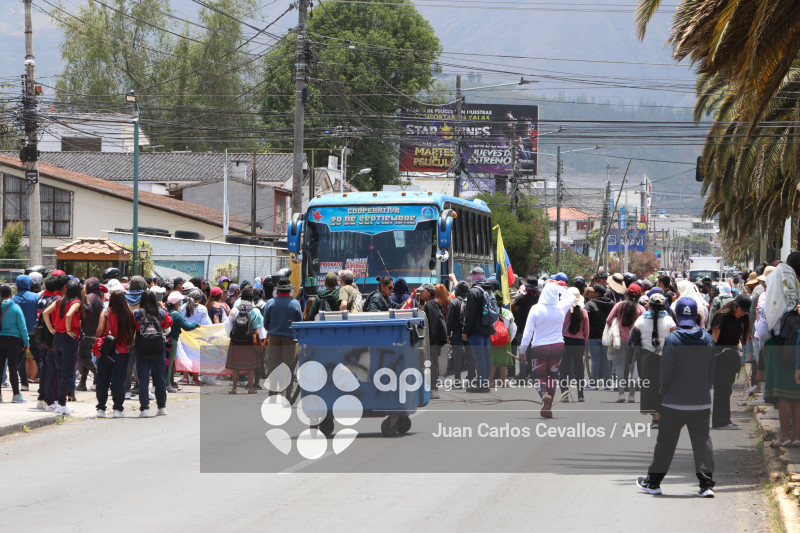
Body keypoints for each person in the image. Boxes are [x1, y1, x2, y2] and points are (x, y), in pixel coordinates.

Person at [637, 297, 716, 498]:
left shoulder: (672, 340)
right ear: (697, 316)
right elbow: (710, 371)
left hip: (674, 401)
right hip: (701, 400)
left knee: (665, 442)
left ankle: (653, 482)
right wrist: (705, 388)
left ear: (677, 316)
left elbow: (666, 372)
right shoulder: (708, 339)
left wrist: (663, 392)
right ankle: (706, 485)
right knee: (702, 442)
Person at [519, 281, 576, 417]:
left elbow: (528, 333)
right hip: (558, 346)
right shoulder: (561, 307)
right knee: (552, 376)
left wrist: (522, 351)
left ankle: (544, 396)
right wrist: (559, 288)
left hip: (540, 347)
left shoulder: (535, 309)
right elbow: (572, 297)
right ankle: (548, 406)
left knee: (539, 376)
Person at [762, 256, 800, 446]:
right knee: (797, 395)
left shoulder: (775, 299)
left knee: (784, 395)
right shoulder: (797, 298)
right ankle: (797, 437)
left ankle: (784, 436)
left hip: (779, 346)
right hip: (797, 348)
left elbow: (762, 329)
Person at [630, 293, 675, 429]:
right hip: (665, 357)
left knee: (649, 386)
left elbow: (634, 339)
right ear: (663, 306)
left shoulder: (641, 320)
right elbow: (675, 338)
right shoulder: (669, 321)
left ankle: (655, 417)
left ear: (649, 305)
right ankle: (665, 414)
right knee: (664, 384)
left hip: (646, 357)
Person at [43, 279, 84, 415]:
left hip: (57, 338)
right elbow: (69, 314)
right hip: (68, 339)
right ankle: (62, 404)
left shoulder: (60, 300)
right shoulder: (76, 302)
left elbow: (45, 313)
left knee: (60, 372)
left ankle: (59, 402)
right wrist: (68, 329)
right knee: (67, 373)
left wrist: (51, 328)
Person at [710, 294, 751, 430]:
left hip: (730, 358)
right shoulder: (722, 317)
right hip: (720, 357)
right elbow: (713, 340)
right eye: (742, 310)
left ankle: (724, 420)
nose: (743, 314)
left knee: (726, 389)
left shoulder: (739, 319)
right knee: (722, 389)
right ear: (735, 306)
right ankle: (720, 421)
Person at [94, 289, 136, 417]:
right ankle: (118, 409)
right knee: (118, 381)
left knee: (103, 380)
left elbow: (100, 330)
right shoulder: (128, 314)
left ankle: (101, 408)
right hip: (123, 351)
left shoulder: (106, 312)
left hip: (107, 351)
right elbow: (131, 333)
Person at [132, 290, 173, 417]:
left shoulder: (136, 313)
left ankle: (144, 409)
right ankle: (162, 407)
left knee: (143, 379)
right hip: (158, 348)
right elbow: (169, 323)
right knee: (159, 378)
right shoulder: (160, 313)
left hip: (142, 349)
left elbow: (132, 327)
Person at [263, 278, 303, 400]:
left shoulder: (270, 303)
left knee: (273, 365)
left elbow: (266, 323)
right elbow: (299, 322)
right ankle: (288, 392)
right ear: (290, 290)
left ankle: (273, 394)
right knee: (288, 366)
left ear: (278, 290)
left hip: (274, 338)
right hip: (290, 338)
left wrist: (273, 330)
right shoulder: (295, 303)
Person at [606, 283, 645, 403]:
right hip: (635, 342)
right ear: (639, 296)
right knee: (634, 368)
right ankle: (632, 395)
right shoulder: (641, 309)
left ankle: (621, 393)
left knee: (619, 367)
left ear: (627, 294)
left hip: (620, 340)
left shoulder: (619, 305)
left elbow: (608, 320)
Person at [225, 286, 267, 394]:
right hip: (250, 341)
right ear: (251, 299)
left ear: (241, 298)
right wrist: (262, 341)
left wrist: (232, 336)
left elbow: (228, 326)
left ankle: (234, 388)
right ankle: (251, 388)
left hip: (236, 341)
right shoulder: (256, 311)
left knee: (235, 367)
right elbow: (260, 329)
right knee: (251, 367)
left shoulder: (234, 310)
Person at [462, 267, 496, 393]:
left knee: (479, 357)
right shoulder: (488, 289)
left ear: (473, 277)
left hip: (476, 330)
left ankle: (481, 384)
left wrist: (465, 330)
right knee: (486, 356)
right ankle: (485, 382)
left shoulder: (473, 291)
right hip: (487, 327)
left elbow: (469, 314)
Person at [37, 275, 67, 410]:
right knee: (54, 372)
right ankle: (51, 401)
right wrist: (53, 329)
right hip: (54, 340)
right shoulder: (58, 301)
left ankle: (48, 399)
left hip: (48, 341)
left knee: (50, 371)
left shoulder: (50, 299)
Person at [0, 284, 30, 404]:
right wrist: (27, 341)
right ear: (11, 294)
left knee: (0, 368)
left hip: (0, 339)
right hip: (13, 341)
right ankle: (16, 395)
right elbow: (22, 327)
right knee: (13, 369)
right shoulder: (15, 307)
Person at [165, 291, 199, 390]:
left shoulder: (167, 312)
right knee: (170, 364)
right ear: (176, 303)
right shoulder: (177, 315)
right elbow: (187, 327)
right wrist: (196, 324)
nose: (180, 303)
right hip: (173, 340)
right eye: (179, 301)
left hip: (165, 340)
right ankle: (167, 384)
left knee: (166, 363)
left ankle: (166, 383)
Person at [560, 287, 588, 402]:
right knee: (579, 369)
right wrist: (584, 343)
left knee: (564, 369)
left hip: (565, 341)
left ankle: (565, 395)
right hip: (579, 342)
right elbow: (586, 330)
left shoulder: (562, 311)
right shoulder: (583, 312)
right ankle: (580, 395)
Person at [419, 283, 447, 398]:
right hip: (434, 340)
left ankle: (433, 389)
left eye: (423, 291)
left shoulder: (430, 305)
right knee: (432, 363)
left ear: (430, 291)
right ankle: (432, 389)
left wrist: (429, 341)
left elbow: (433, 325)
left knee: (431, 364)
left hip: (432, 340)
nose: (420, 293)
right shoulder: (432, 304)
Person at [13, 275, 40, 392]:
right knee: (39, 358)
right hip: (34, 332)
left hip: (18, 334)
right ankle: (43, 383)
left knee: (20, 360)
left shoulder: (14, 298)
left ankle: (24, 383)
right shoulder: (35, 297)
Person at [76, 277, 103, 391]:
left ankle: (100, 375)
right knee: (87, 356)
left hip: (85, 331)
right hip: (93, 332)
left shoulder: (87, 298)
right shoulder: (99, 298)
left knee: (83, 357)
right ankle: (82, 383)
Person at [585, 284, 614, 390]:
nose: (591, 293)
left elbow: (585, 317)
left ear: (597, 293)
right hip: (607, 336)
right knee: (606, 360)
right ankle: (607, 383)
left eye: (592, 291)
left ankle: (593, 383)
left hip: (594, 336)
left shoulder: (590, 304)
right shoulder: (612, 304)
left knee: (595, 360)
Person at [512, 277, 539, 380]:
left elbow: (513, 306)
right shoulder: (540, 297)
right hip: (536, 330)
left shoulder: (522, 298)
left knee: (522, 352)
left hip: (523, 328)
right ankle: (533, 375)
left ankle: (522, 375)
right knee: (533, 354)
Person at [447, 281, 470, 387]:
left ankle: (457, 380)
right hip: (469, 332)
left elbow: (449, 320)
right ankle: (471, 377)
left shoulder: (454, 302)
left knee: (457, 357)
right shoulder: (470, 301)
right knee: (471, 356)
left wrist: (447, 333)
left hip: (457, 333)